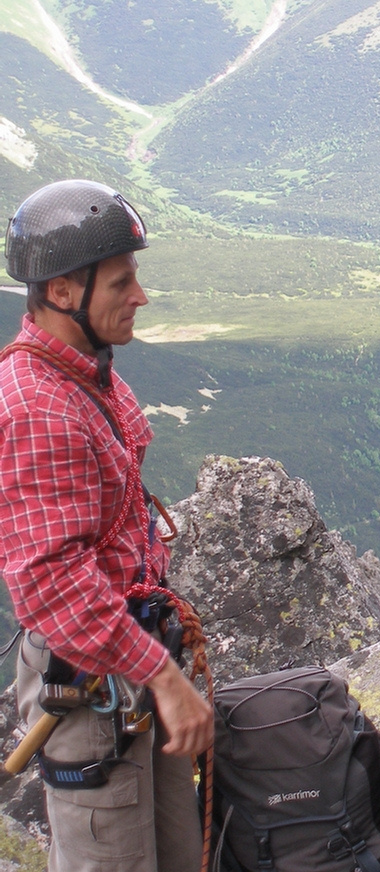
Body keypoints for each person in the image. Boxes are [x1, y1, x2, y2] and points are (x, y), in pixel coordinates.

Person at [0, 179, 214, 872]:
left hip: (125, 665)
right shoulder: (39, 408)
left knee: (179, 854)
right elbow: (52, 586)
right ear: (63, 292)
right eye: (122, 281)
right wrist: (165, 677)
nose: (140, 296)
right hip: (90, 682)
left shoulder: (89, 377)